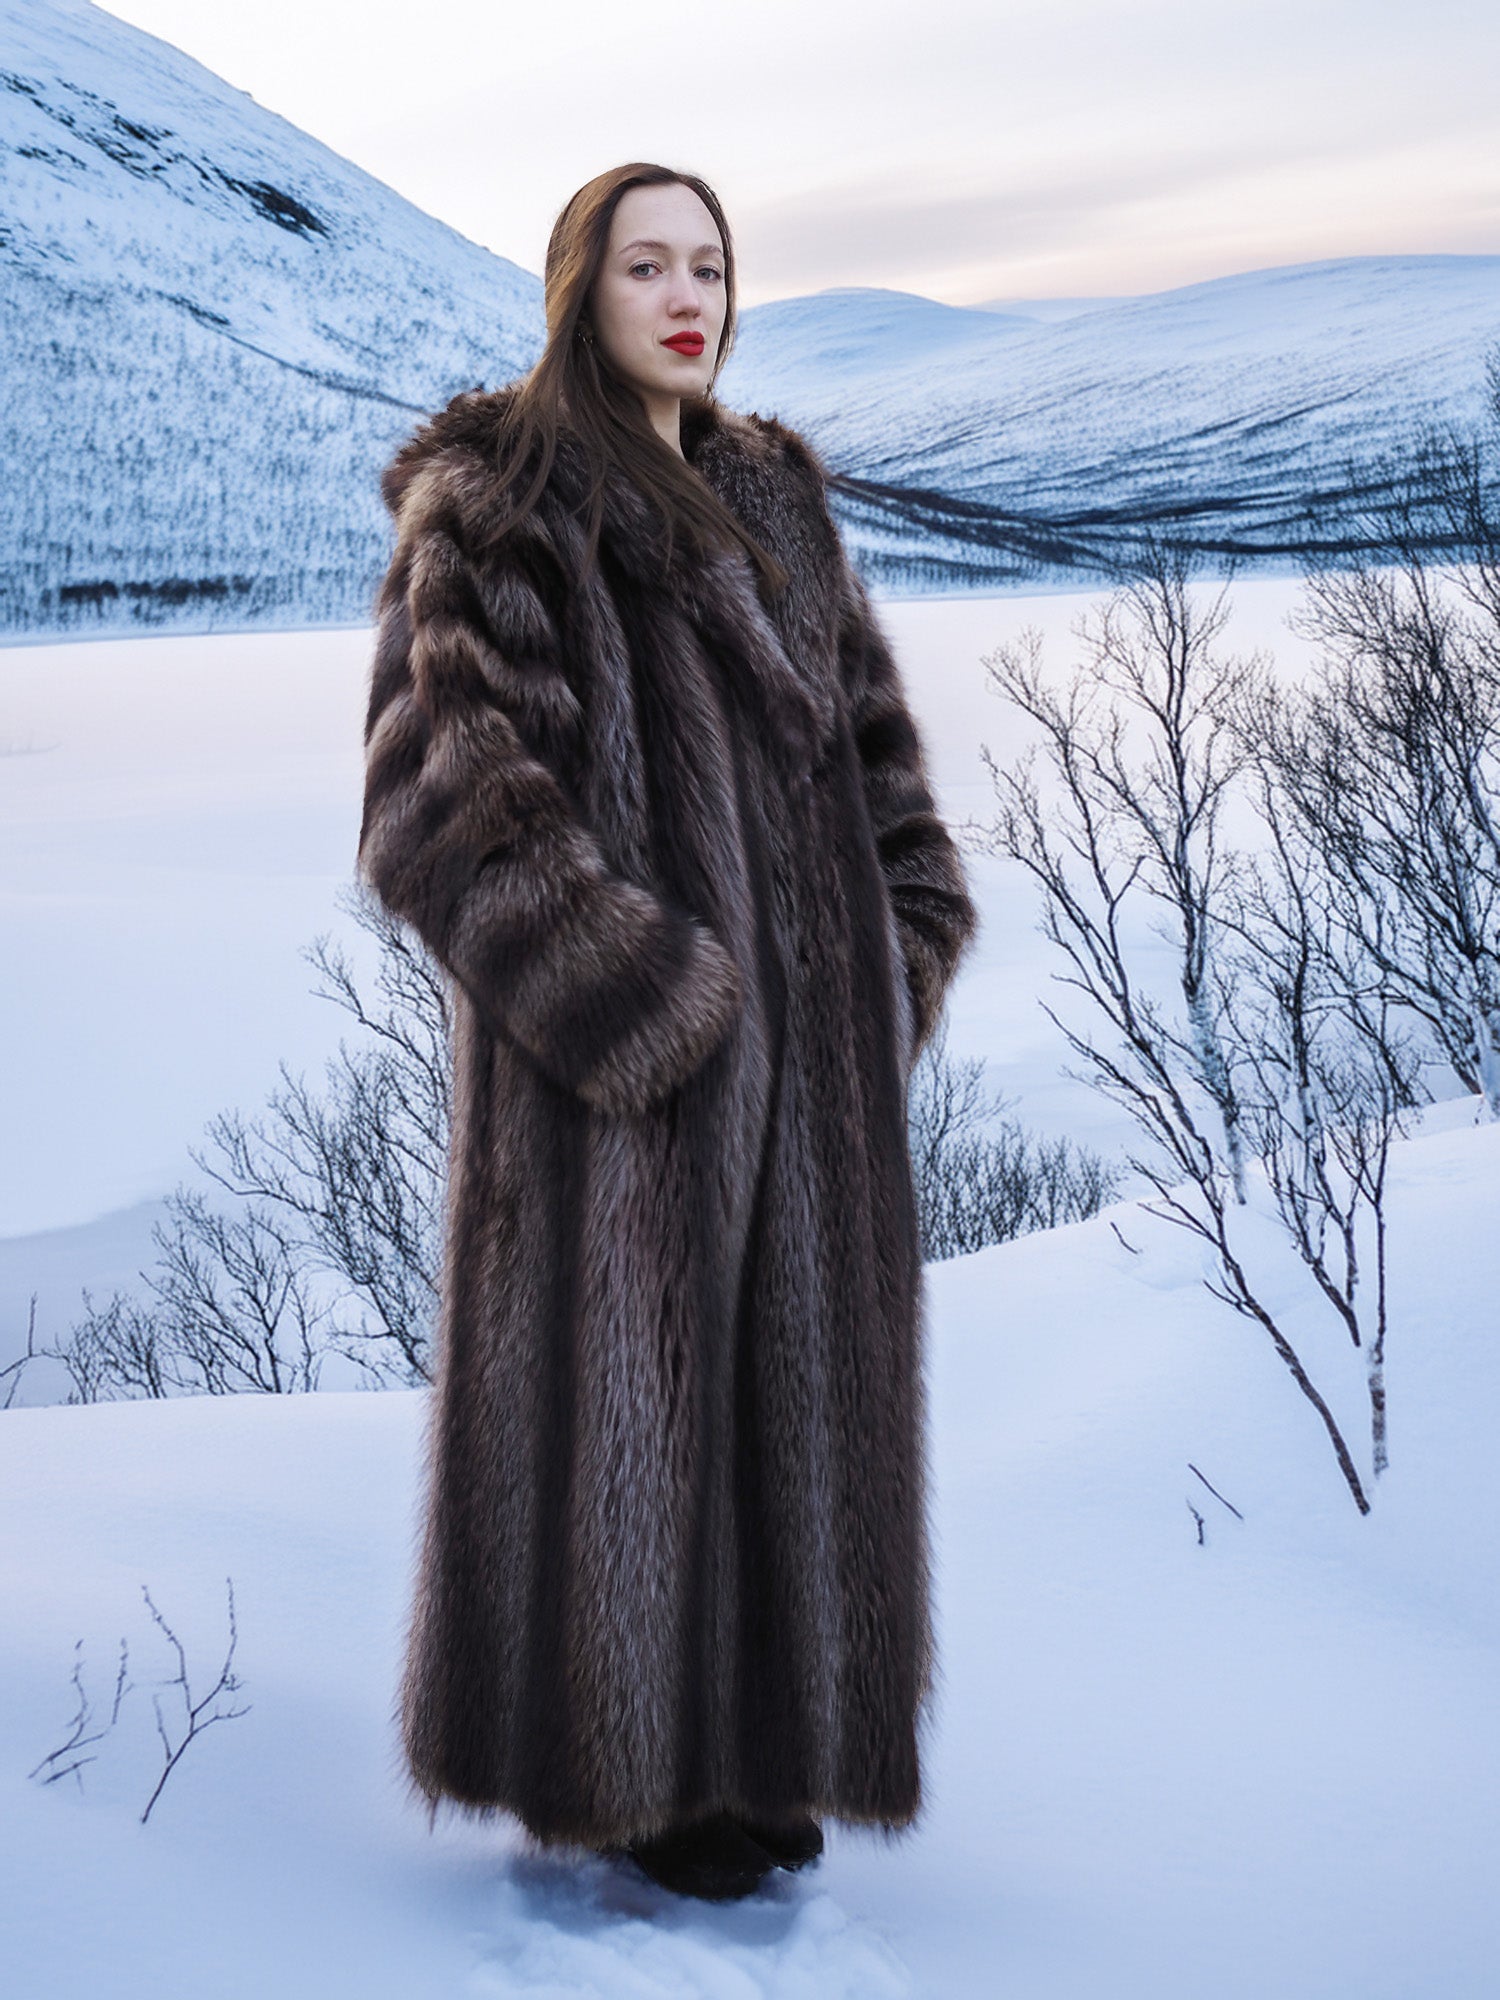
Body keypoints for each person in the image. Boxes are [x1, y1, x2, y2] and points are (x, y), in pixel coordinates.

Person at [356, 162, 980, 1902]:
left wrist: (895, 952)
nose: (688, 295)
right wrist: (651, 1002)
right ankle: (632, 1774)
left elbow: (875, 763)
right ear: (583, 288)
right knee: (636, 1407)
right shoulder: (506, 504)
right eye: (649, 265)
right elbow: (440, 801)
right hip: (626, 1080)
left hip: (816, 1076)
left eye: (711, 263)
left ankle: (761, 1749)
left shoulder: (776, 498)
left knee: (794, 1402)